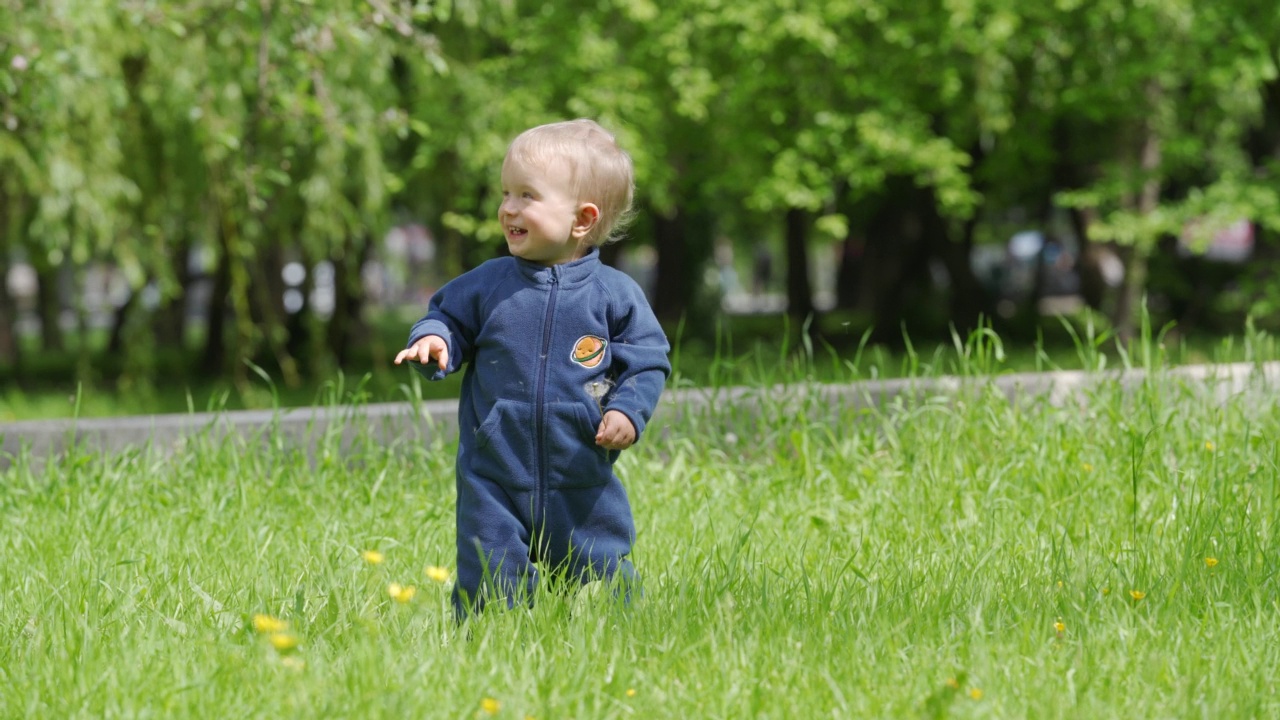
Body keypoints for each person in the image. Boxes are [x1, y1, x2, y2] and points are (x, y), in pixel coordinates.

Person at [394, 119, 670, 617]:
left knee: (602, 576)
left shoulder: (614, 295)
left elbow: (646, 361)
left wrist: (628, 411)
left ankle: (617, 638)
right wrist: (434, 339)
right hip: (493, 471)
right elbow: (447, 318)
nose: (508, 208)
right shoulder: (488, 284)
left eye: (527, 195)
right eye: (506, 193)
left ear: (582, 220)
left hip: (581, 471)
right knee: (488, 576)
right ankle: (488, 644)